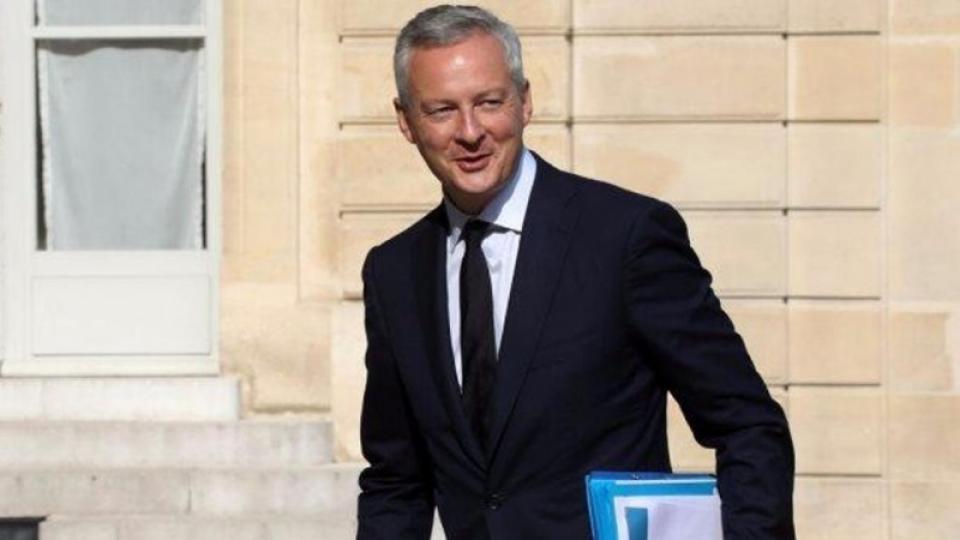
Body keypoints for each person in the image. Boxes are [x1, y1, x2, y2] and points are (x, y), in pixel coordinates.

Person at [356, 5, 795, 539]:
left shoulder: (624, 237)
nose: (470, 132)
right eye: (442, 110)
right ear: (406, 121)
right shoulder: (394, 273)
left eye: (489, 102)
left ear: (525, 101)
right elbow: (396, 482)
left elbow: (748, 426)